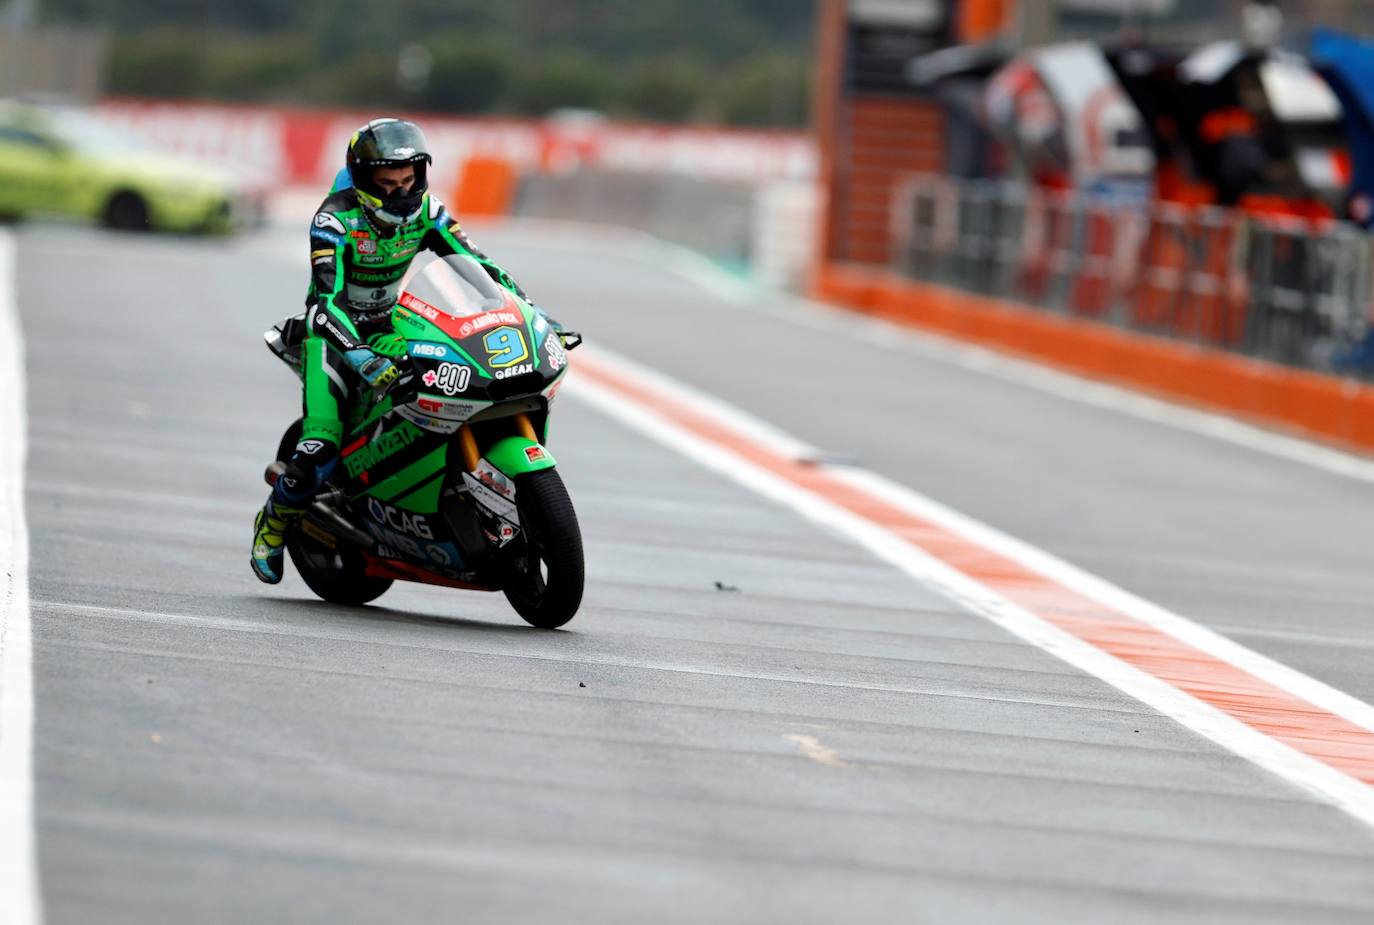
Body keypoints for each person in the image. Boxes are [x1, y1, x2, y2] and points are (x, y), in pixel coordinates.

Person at [251, 117, 534, 584]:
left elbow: (481, 268)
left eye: (409, 181)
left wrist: (531, 313)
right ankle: (273, 523)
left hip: (391, 323)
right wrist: (361, 356)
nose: (401, 193)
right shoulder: (332, 220)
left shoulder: (429, 211)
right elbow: (326, 303)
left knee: (457, 375)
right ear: (363, 180)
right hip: (335, 333)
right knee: (321, 443)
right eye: (388, 184)